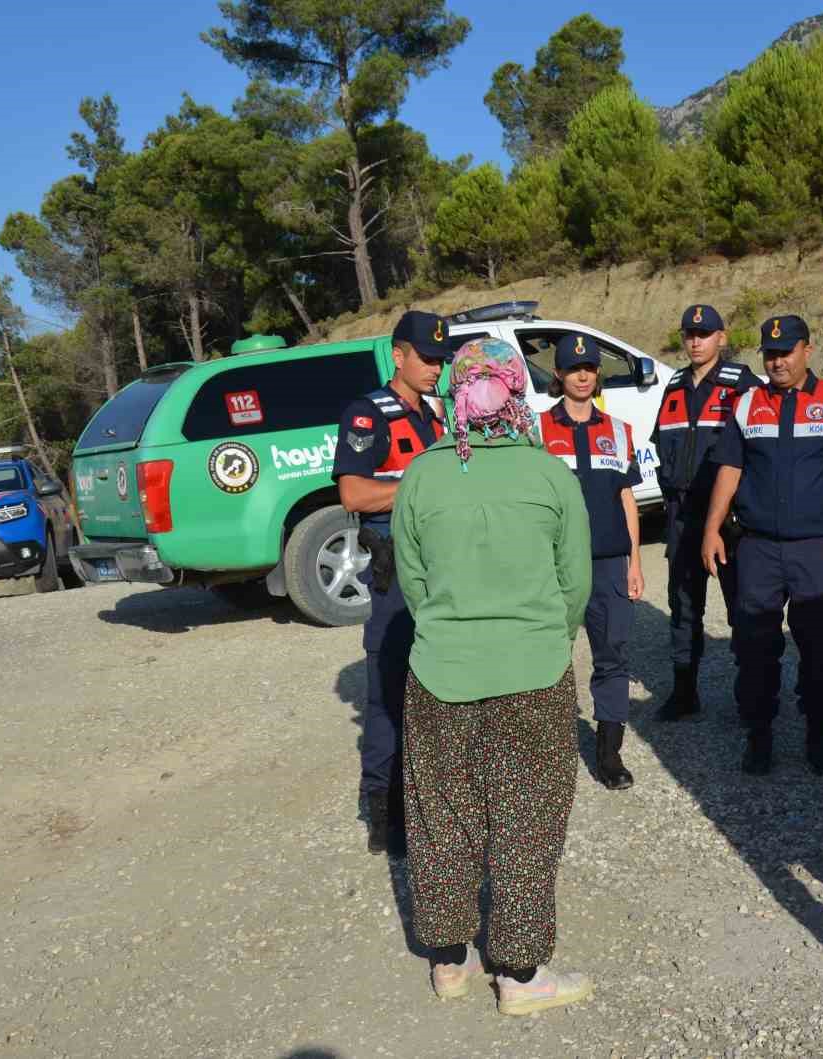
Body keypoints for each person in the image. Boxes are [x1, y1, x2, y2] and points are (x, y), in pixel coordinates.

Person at [392, 337, 595, 1015]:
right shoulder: (550, 474)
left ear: (455, 396)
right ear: (517, 393)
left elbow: (413, 584)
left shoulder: (421, 475)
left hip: (439, 675)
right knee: (525, 819)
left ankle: (449, 962)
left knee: (440, 817)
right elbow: (576, 584)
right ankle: (521, 974)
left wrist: (451, 632)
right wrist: (546, 638)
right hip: (533, 674)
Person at [701, 314, 823, 775]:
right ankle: (759, 737)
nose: (777, 361)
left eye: (786, 352)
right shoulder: (745, 403)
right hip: (757, 548)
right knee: (754, 647)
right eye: (770, 354)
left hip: (817, 548)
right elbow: (730, 470)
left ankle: (820, 735)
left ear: (807, 350)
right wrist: (712, 528)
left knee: (820, 648)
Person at [332, 309, 453, 857]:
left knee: (437, 692)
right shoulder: (367, 414)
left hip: (440, 570)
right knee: (388, 697)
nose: (435, 369)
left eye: (440, 361)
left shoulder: (435, 414)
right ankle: (384, 813)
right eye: (426, 358)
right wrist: (421, 488)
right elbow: (355, 496)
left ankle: (433, 799)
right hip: (397, 572)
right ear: (397, 354)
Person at [537, 332, 644, 790]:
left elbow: (627, 498)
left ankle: (608, 755)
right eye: (573, 368)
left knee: (612, 658)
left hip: (609, 562)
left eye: (591, 368)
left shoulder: (619, 430)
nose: (583, 375)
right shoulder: (535, 430)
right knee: (545, 658)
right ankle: (544, 750)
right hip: (552, 566)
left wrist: (635, 562)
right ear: (558, 375)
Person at [649, 303, 756, 721]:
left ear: (721, 338)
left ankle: (750, 694)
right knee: (684, 605)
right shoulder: (673, 386)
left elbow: (754, 448)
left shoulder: (740, 384)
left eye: (705, 334)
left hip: (728, 518)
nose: (696, 341)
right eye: (690, 335)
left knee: (740, 607)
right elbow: (661, 445)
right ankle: (683, 692)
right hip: (682, 514)